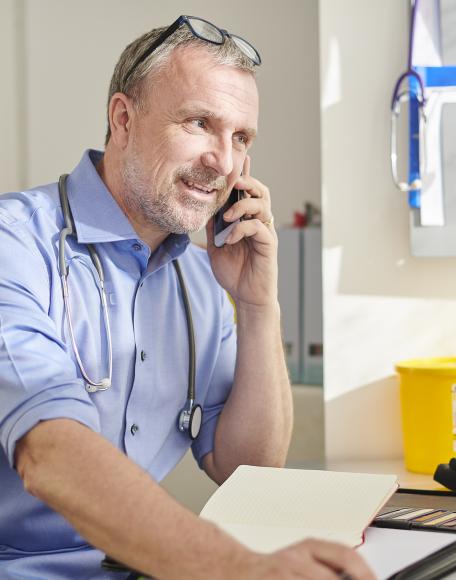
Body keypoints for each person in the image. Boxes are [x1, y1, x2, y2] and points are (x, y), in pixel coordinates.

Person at [0, 15, 375, 580]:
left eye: (241, 138)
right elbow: (49, 451)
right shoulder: (15, 243)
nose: (223, 162)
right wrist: (232, 566)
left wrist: (257, 306)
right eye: (200, 123)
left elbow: (247, 467)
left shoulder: (202, 278)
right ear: (123, 118)